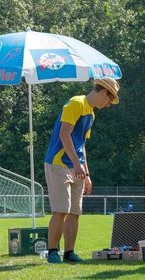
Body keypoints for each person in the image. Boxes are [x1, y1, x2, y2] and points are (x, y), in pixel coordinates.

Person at [44, 77, 120, 263]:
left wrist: (86, 173)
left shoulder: (91, 114)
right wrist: (76, 164)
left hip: (77, 166)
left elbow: (82, 145)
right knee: (61, 210)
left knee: (75, 212)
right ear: (103, 92)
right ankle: (52, 251)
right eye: (110, 99)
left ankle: (70, 252)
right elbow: (64, 134)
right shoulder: (76, 103)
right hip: (58, 164)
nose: (108, 104)